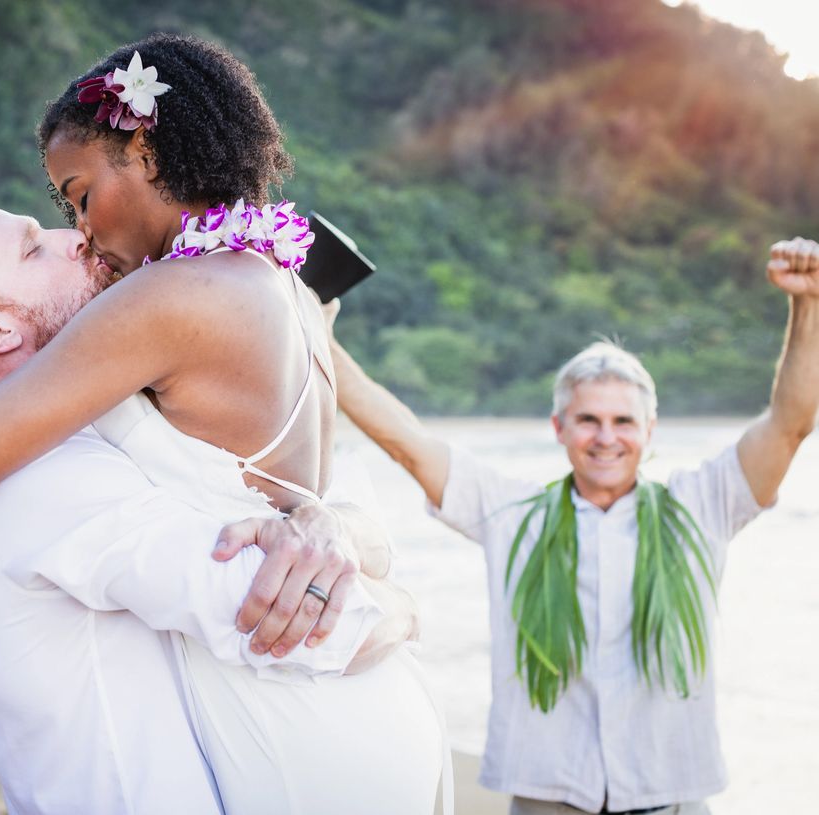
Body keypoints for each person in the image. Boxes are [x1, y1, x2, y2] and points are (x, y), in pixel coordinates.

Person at [0, 34, 447, 814]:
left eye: (78, 197)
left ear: (144, 151)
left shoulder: (162, 301)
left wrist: (404, 607)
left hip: (295, 713)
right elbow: (312, 493)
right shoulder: (286, 290)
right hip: (369, 709)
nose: (78, 231)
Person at [321, 237, 819, 814]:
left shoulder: (701, 506)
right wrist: (319, 336)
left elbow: (788, 425)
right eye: (588, 420)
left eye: (622, 421)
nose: (606, 437)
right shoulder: (513, 514)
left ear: (650, 429)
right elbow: (407, 443)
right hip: (547, 796)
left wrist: (807, 306)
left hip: (672, 796)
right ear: (559, 427)